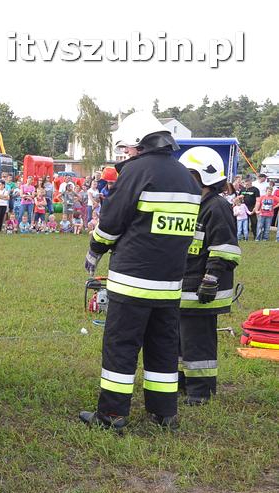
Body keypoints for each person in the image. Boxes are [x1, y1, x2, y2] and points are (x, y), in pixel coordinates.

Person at [80, 111, 201, 431]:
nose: (126, 156)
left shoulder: (137, 172)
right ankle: (164, 413)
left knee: (121, 348)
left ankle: (112, 415)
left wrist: (95, 249)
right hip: (170, 283)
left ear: (138, 143)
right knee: (162, 349)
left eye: (127, 150)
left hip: (132, 282)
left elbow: (111, 222)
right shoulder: (187, 177)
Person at [176, 146, 241, 406]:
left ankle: (201, 391)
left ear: (200, 176)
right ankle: (183, 383)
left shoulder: (216, 207)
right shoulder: (194, 204)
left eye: (186, 174)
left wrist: (210, 279)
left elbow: (225, 248)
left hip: (204, 288)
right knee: (181, 341)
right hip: (186, 286)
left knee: (198, 343)